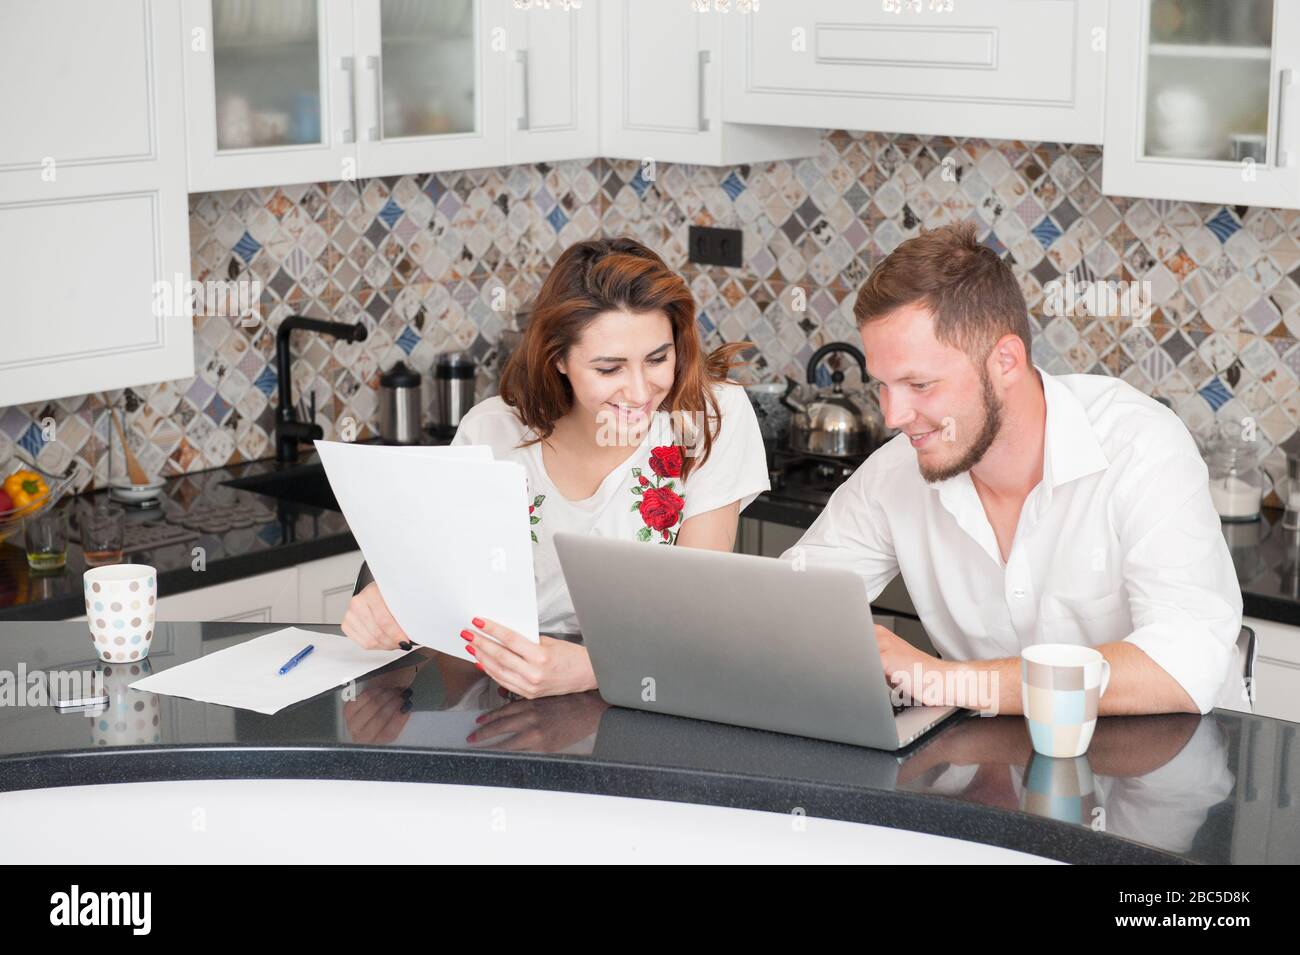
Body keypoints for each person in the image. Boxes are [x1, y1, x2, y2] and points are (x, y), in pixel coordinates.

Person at [783, 221, 1242, 716]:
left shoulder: (1142, 448)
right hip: (992, 769)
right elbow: (785, 607)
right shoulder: (897, 472)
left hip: (1166, 770)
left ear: (1005, 361)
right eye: (883, 385)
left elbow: (1180, 666)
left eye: (920, 385)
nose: (893, 417)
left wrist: (942, 680)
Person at [342, 236, 770, 698]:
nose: (641, 391)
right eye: (610, 369)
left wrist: (592, 669)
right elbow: (436, 571)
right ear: (558, 358)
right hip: (497, 699)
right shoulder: (492, 431)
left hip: (654, 690)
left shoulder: (711, 417)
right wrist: (387, 600)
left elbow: (699, 609)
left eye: (658, 359)